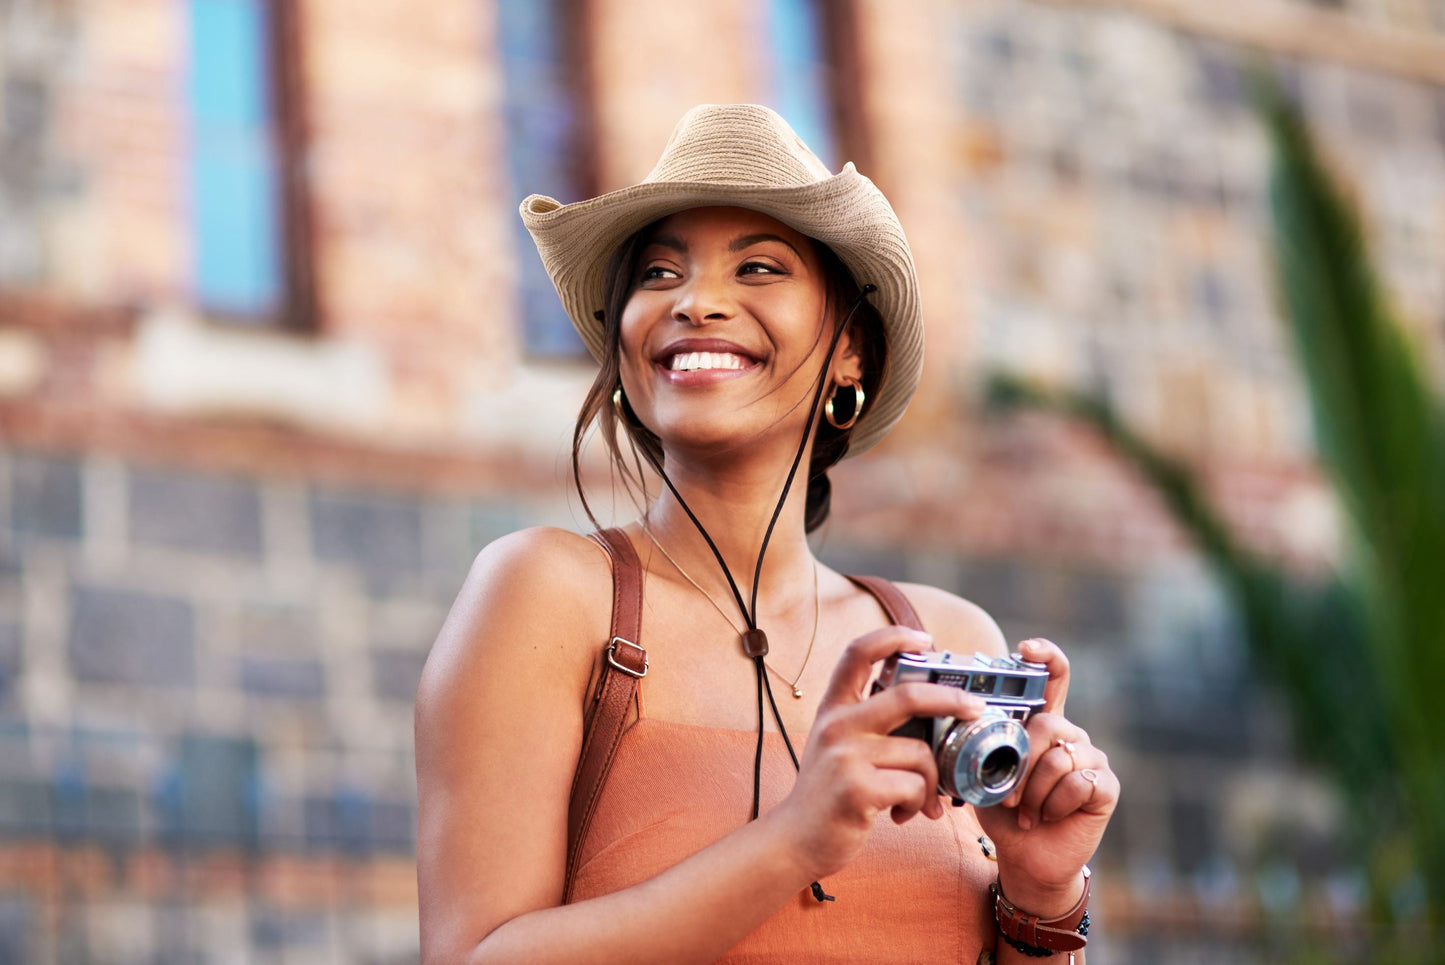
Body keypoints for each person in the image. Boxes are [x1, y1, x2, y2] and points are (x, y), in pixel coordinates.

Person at [414, 104, 1118, 964]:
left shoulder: (946, 640)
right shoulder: (548, 593)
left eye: (757, 267)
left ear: (850, 349)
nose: (697, 301)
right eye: (659, 274)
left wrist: (1043, 896)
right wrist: (794, 839)